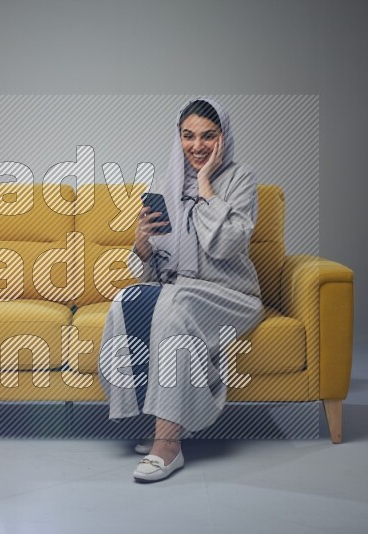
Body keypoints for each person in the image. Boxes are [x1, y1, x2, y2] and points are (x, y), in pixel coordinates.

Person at [97, 98, 264, 482]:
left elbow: (226, 246)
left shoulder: (241, 178)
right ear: (179, 138)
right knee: (128, 299)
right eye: (188, 136)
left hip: (231, 294)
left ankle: (168, 445)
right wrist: (141, 245)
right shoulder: (166, 183)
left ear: (223, 138)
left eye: (208, 136)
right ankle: (160, 420)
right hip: (180, 290)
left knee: (173, 302)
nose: (197, 146)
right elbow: (153, 269)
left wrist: (206, 188)